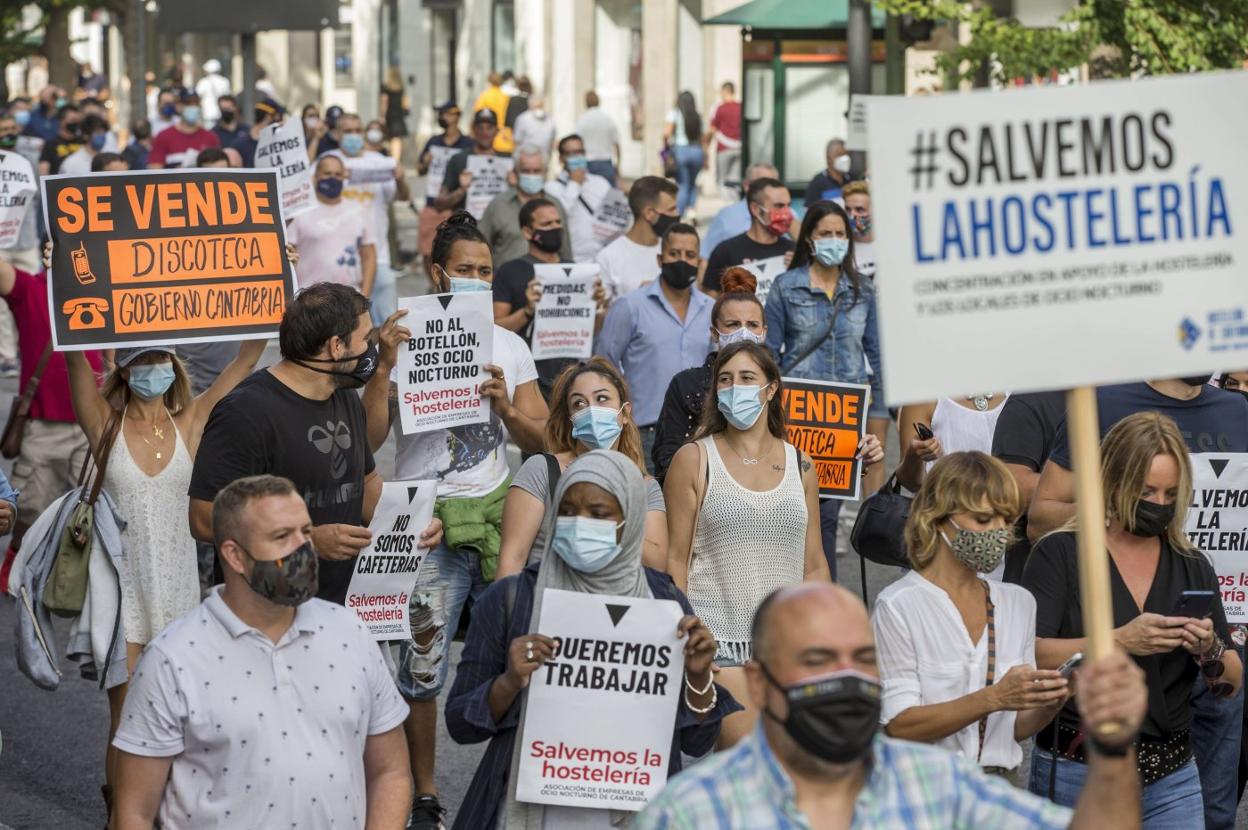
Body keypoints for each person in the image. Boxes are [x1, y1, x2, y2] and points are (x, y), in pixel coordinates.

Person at [634, 582, 1150, 830]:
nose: (846, 679)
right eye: (818, 660)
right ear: (761, 684)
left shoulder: (939, 787)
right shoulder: (689, 815)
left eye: (862, 659)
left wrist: (1112, 747)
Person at [362, 212, 548, 829]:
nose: (475, 279)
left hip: (501, 519)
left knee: (517, 657)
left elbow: (544, 437)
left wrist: (505, 407)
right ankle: (423, 794)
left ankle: (519, 784)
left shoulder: (511, 346)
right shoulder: (403, 335)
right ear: (438, 273)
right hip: (427, 527)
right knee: (421, 666)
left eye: (485, 272)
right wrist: (385, 368)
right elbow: (370, 442)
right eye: (464, 270)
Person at [446, 450, 737, 828]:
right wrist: (509, 682)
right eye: (566, 511)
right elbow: (460, 724)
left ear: (629, 521)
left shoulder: (664, 604)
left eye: (599, 514)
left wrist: (699, 679)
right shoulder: (512, 600)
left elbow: (696, 743)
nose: (579, 523)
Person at [110, 475, 411, 830]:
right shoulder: (171, 660)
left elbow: (390, 772)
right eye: (282, 537)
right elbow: (133, 813)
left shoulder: (352, 634)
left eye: (306, 532)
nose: (303, 548)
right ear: (234, 555)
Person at [1026, 377, 1248, 830]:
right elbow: (1030, 654)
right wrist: (1119, 640)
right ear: (1114, 481)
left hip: (1173, 775)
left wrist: (1206, 649)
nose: (1159, 505)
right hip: (1076, 767)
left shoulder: (1190, 564)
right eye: (1147, 493)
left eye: (1169, 494)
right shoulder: (1063, 554)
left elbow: (1229, 682)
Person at [65, 328, 265, 809]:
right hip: (119, 590)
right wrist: (62, 291)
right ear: (125, 370)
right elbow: (72, 357)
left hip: (177, 592)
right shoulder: (103, 423)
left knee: (176, 715)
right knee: (127, 717)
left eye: (160, 358)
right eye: (141, 360)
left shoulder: (191, 422)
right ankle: (121, 811)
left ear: (174, 367)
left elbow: (246, 360)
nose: (151, 368)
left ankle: (164, 809)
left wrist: (276, 282)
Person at [188, 282, 444, 609]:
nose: (372, 349)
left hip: (341, 607)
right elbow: (202, 516)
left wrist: (411, 525)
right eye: (366, 340)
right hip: (266, 611)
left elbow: (363, 483)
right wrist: (306, 541)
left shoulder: (343, 395)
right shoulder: (245, 412)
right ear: (336, 346)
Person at [664, 341, 829, 746]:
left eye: (746, 378)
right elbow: (675, 560)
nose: (733, 387)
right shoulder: (693, 458)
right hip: (720, 646)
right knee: (745, 775)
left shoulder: (801, 463)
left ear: (771, 389)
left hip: (789, 646)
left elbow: (814, 565)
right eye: (724, 379)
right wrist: (688, 643)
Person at [873, 452, 1068, 778]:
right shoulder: (898, 606)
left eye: (1006, 521)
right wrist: (993, 697)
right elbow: (899, 724)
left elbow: (1013, 729)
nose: (998, 532)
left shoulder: (1019, 603)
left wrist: (1052, 700)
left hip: (1000, 789)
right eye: (983, 519)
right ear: (936, 518)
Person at [764, 199, 881, 577]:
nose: (833, 240)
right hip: (796, 417)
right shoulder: (785, 287)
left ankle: (823, 601)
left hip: (844, 421)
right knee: (789, 511)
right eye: (825, 233)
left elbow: (876, 355)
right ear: (810, 240)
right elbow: (769, 356)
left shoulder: (863, 291)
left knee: (827, 517)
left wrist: (878, 415)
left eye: (839, 234)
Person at [497, 359, 668, 578]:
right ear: (570, 420)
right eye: (579, 403)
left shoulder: (645, 487)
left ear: (624, 414)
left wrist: (607, 520)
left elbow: (657, 566)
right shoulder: (542, 470)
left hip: (613, 608)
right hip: (547, 606)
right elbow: (511, 561)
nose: (592, 409)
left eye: (602, 398)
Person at [0, 253, 101, 562]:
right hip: (43, 427)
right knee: (30, 511)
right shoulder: (31, 289)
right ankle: (17, 576)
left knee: (89, 514)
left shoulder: (100, 289)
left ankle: (69, 580)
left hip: (93, 427)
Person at [597, 222, 713, 468]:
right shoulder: (630, 306)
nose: (682, 260)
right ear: (660, 259)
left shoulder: (712, 310)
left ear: (699, 262)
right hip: (644, 433)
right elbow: (603, 367)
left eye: (689, 255)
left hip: (702, 435)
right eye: (674, 254)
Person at [652, 268, 764, 483]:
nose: (743, 332)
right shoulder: (685, 385)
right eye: (732, 324)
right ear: (714, 332)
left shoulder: (775, 387)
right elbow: (666, 457)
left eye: (752, 325)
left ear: (764, 331)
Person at [491, 196, 606, 396]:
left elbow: (591, 330)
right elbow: (495, 330)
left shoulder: (576, 271)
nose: (554, 228)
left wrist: (598, 308)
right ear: (527, 232)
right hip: (528, 380)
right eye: (546, 224)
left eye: (557, 222)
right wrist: (526, 312)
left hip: (572, 377)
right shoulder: (510, 271)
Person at [990, 391, 1067, 583]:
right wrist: (1105, 493)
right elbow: (1015, 486)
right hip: (1043, 580)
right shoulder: (1032, 400)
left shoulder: (1129, 394)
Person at [285, 154, 377, 295]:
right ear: (315, 177)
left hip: (348, 299)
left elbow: (369, 256)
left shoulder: (359, 210)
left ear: (344, 178)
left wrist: (364, 295)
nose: (333, 178)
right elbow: (288, 253)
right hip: (308, 299)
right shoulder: (299, 213)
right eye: (327, 174)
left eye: (338, 175)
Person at [478, 143, 572, 264]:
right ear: (515, 172)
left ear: (545, 172)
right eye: (526, 171)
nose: (531, 175)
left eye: (536, 171)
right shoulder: (498, 205)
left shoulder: (555, 205)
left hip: (547, 279)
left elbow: (565, 251)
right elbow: (481, 248)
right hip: (506, 279)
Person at [703, 177, 795, 295]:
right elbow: (710, 301)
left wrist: (798, 271)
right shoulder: (725, 251)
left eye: (789, 205)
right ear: (756, 209)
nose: (787, 213)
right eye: (779, 206)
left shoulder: (793, 251)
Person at [543, 133, 626, 263]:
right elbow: (559, 216)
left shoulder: (600, 182)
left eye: (579, 152)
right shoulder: (551, 188)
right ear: (561, 158)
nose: (576, 157)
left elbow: (617, 219)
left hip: (603, 259)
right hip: (574, 260)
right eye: (570, 153)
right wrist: (574, 184)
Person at [595, 176, 679, 300]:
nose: (677, 214)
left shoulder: (677, 252)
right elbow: (604, 313)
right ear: (649, 214)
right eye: (671, 209)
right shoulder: (608, 258)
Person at [417, 102, 473, 278]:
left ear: (457, 115)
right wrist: (425, 162)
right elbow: (420, 170)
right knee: (427, 252)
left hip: (456, 204)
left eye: (445, 113)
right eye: (440, 114)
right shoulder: (433, 141)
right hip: (433, 202)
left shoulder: (467, 144)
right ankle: (434, 285)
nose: (442, 117)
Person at [700, 162, 779, 259]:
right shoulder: (726, 217)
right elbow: (706, 256)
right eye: (762, 184)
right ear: (746, 186)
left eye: (774, 185)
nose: (769, 191)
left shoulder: (789, 216)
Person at [434, 109, 505, 214]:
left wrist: (514, 186)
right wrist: (462, 190)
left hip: (498, 226)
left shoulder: (506, 161)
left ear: (497, 131)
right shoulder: (459, 159)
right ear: (473, 130)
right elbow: (439, 205)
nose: (485, 132)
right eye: (480, 128)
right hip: (466, 227)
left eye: (489, 128)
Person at [147, 90, 219, 168]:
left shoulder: (210, 138)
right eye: (188, 103)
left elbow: (218, 169)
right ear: (178, 107)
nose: (193, 107)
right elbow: (155, 169)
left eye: (196, 103)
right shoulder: (163, 137)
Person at [665, 91, 705, 220]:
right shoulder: (697, 116)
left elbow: (667, 133)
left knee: (683, 184)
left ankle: (679, 214)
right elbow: (702, 137)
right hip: (697, 151)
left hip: (681, 151)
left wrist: (666, 147)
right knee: (693, 183)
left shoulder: (674, 114)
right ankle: (692, 211)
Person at [574, 90, 621, 186]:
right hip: (606, 162)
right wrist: (618, 165)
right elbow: (617, 144)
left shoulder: (582, 120)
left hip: (588, 163)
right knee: (609, 197)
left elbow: (576, 144)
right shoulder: (608, 119)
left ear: (585, 102)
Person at [704, 81, 743, 199]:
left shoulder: (718, 108)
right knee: (735, 179)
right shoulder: (741, 106)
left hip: (724, 148)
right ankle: (734, 202)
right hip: (739, 148)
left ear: (724, 92)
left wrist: (706, 147)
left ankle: (726, 203)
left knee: (722, 179)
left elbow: (712, 129)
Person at [225, 97, 282, 167]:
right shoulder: (239, 145)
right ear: (268, 117)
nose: (279, 121)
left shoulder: (238, 143)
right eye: (277, 117)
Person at [804, 138, 853, 205]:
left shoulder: (852, 179)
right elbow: (810, 211)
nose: (845, 159)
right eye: (839, 155)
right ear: (828, 158)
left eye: (846, 154)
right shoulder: (818, 182)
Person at [842, 180, 876, 278]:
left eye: (860, 209)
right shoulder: (840, 249)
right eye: (848, 209)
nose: (852, 215)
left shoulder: (889, 244)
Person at [37, 102, 82, 175]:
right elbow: (43, 171)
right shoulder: (50, 144)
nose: (76, 123)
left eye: (78, 121)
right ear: (61, 121)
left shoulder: (83, 142)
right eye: (73, 120)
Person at [474, 72, 511, 153]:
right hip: (505, 137)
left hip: (488, 136)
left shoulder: (484, 96)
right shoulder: (506, 97)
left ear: (489, 81)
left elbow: (477, 116)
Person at [512, 95, 555, 161]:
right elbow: (517, 139)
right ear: (530, 106)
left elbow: (552, 140)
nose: (538, 110)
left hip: (544, 158)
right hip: (526, 158)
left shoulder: (549, 120)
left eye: (540, 106)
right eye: (536, 107)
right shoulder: (523, 119)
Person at [380, 66, 409, 161]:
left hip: (390, 116)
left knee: (392, 139)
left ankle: (394, 160)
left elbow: (384, 102)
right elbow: (405, 102)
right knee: (397, 139)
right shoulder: (401, 88)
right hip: (399, 115)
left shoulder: (386, 88)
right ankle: (396, 159)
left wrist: (382, 116)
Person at [194, 58, 230, 126]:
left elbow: (197, 95)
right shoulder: (225, 81)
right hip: (222, 113)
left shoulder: (204, 82)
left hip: (208, 113)